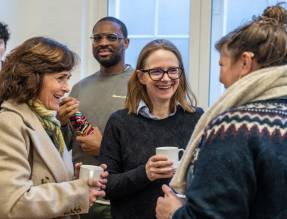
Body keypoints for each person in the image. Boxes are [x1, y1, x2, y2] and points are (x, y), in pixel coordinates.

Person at [156, 3, 287, 219]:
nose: (220, 78)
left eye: (221, 65)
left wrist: (174, 214)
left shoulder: (234, 127)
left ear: (245, 62)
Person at [0, 36, 108, 219]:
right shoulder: (9, 122)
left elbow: (39, 177)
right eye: (60, 78)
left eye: (68, 78)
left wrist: (68, 176)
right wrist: (78, 192)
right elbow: (12, 204)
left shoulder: (48, 122)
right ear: (32, 78)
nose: (67, 88)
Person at [98, 39, 204, 219]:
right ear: (141, 77)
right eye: (156, 71)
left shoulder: (196, 118)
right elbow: (106, 187)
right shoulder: (120, 122)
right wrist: (145, 173)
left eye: (172, 70)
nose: (166, 78)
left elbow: (208, 180)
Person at [58, 16, 133, 219]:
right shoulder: (79, 87)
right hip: (81, 198)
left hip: (120, 200)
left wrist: (104, 149)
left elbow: (147, 149)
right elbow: (64, 145)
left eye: (111, 37)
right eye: (97, 38)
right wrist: (62, 123)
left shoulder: (140, 86)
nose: (103, 43)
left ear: (126, 42)